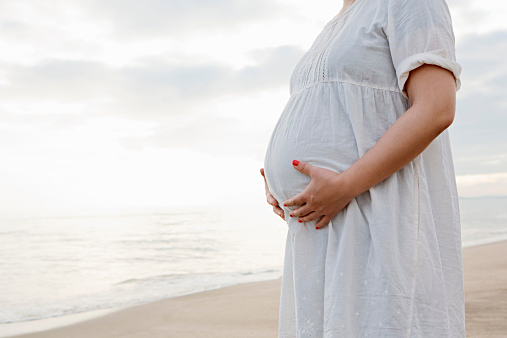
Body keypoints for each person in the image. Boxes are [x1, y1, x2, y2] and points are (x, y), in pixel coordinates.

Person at [260, 0, 466, 336]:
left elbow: (436, 107)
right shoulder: (335, 24)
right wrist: (280, 181)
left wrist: (344, 186)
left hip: (374, 213)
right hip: (321, 227)